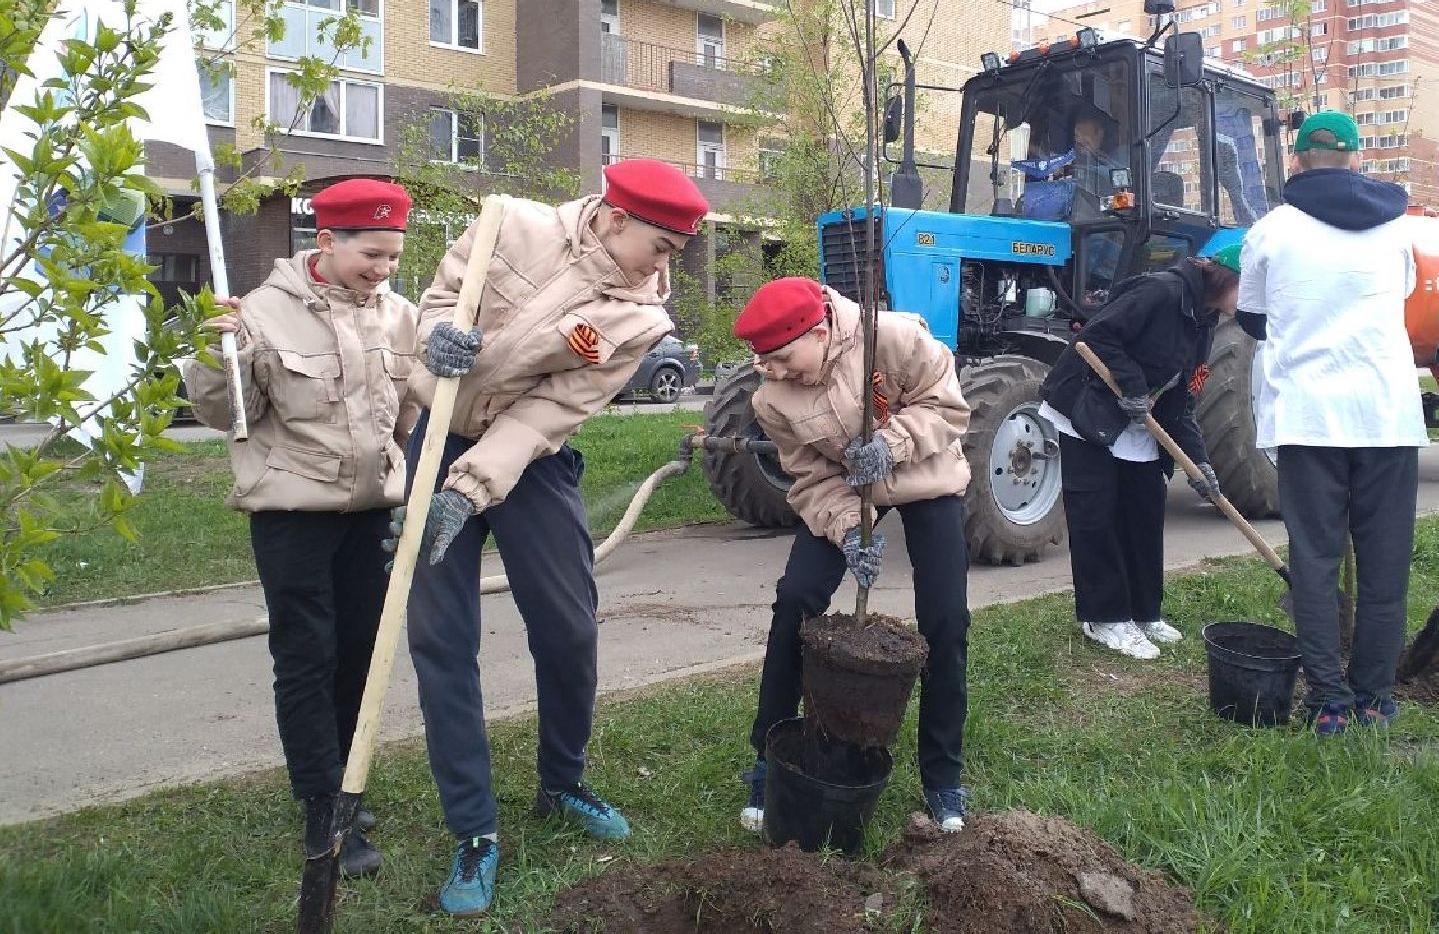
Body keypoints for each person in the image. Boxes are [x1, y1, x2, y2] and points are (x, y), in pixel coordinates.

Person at [401, 159, 707, 917]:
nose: (664, 269)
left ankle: (562, 780)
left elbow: (549, 411)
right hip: (436, 435)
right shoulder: (510, 222)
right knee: (442, 639)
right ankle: (474, 831)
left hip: (531, 459)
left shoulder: (639, 321)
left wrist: (469, 491)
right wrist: (437, 341)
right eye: (661, 248)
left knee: (568, 627)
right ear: (611, 217)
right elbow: (437, 302)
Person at [182, 178, 418, 877]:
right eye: (370, 255)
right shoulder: (257, 312)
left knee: (359, 652)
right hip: (293, 517)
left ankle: (347, 781)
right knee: (308, 656)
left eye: (393, 257)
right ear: (326, 242)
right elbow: (229, 415)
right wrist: (213, 353)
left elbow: (404, 411)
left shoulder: (398, 316)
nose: (382, 270)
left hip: (371, 511)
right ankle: (320, 800)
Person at [731, 277, 973, 835]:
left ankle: (942, 776)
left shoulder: (892, 339)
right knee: (796, 597)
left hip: (925, 478)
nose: (777, 373)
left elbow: (948, 407)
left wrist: (892, 444)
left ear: (819, 331)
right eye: (766, 363)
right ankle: (770, 755)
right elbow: (810, 475)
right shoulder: (770, 398)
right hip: (847, 490)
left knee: (945, 617)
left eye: (785, 359)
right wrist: (848, 532)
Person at [1237, 111, 1426, 737]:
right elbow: (1396, 300)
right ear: (1356, 157)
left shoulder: (1269, 230)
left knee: (1314, 562)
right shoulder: (1397, 231)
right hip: (1386, 415)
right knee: (1385, 561)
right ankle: (1376, 696)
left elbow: (1252, 319)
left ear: (1296, 160)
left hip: (1309, 416)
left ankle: (1328, 701)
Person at [1038, 245, 1242, 660]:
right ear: (1224, 278)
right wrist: (1132, 384)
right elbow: (1095, 336)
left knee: (1145, 512)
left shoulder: (1204, 321)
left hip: (1138, 416)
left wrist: (1199, 460)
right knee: (1097, 515)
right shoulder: (1160, 292)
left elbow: (1180, 398)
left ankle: (1143, 611)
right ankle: (1105, 618)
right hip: (1089, 406)